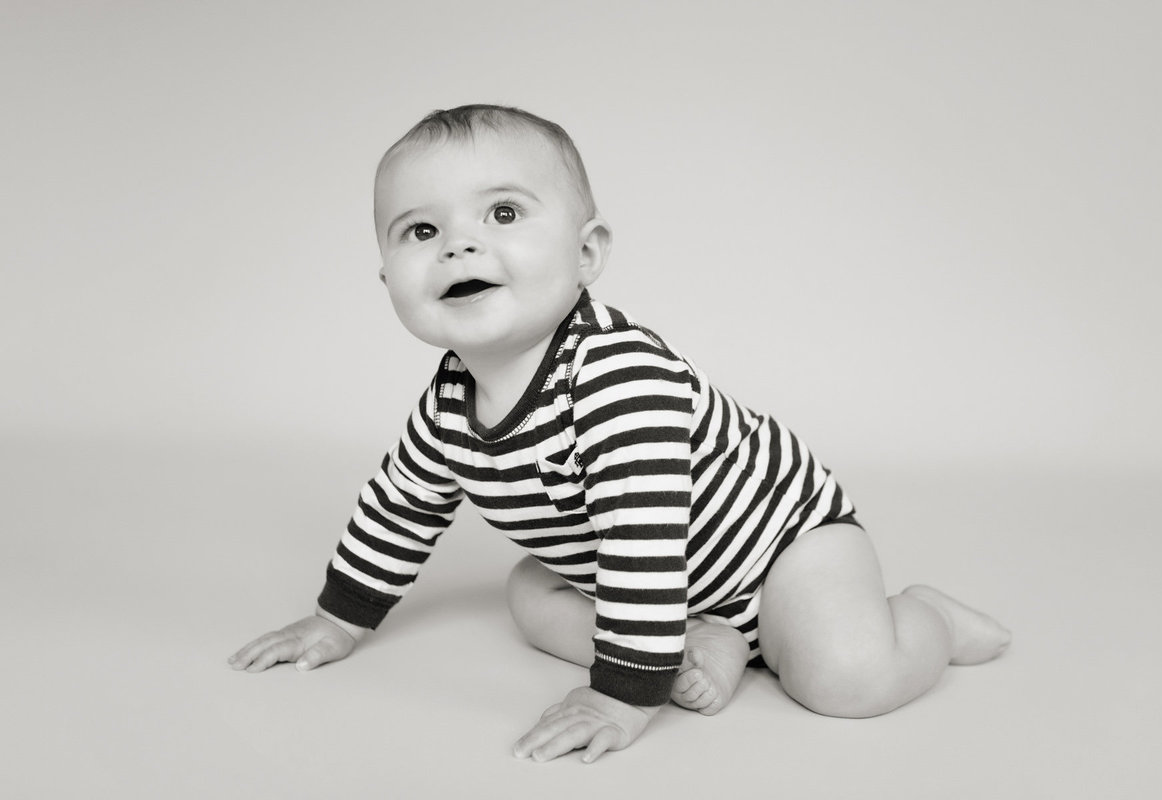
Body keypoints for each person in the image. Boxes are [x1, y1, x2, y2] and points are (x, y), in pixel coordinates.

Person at [228, 104, 1011, 764]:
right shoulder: (449, 407)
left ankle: (925, 617)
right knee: (530, 593)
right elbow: (400, 508)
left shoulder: (618, 378)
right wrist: (337, 619)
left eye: (503, 213)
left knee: (847, 682)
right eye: (420, 231)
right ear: (388, 282)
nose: (459, 245)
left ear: (588, 253)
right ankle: (698, 642)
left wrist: (621, 698)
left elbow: (640, 533)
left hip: (780, 554)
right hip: (642, 581)